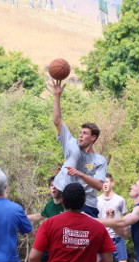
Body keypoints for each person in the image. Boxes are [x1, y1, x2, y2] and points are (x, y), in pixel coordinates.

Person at [29, 182, 116, 262]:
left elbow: (33, 257)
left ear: (63, 202)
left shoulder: (49, 224)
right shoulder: (98, 228)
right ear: (84, 202)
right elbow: (108, 259)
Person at [50, 80, 108, 218]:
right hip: (67, 201)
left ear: (93, 138)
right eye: (80, 133)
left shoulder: (99, 160)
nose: (81, 136)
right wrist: (57, 95)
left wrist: (80, 174)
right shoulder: (71, 144)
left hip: (87, 204)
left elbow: (99, 186)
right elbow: (57, 121)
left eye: (85, 133)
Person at [96, 173, 135, 262]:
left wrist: (125, 232)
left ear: (112, 183)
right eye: (103, 182)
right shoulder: (96, 200)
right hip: (102, 238)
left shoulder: (120, 200)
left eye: (107, 182)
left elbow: (126, 217)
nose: (105, 184)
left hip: (117, 237)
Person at [23, 176, 64, 262]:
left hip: (63, 247)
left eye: (56, 186)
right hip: (49, 246)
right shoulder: (50, 205)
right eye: (51, 186)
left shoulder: (67, 204)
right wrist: (21, 217)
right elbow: (40, 216)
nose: (53, 188)